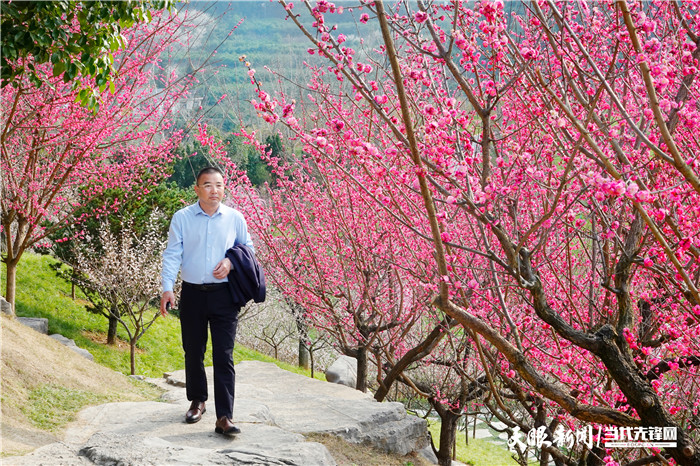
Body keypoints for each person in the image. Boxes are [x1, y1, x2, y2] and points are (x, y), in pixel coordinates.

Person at [160, 166, 254, 437]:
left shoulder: (235, 217)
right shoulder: (182, 217)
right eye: (208, 185)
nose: (215, 190)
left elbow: (247, 249)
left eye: (220, 185)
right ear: (197, 189)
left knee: (223, 355)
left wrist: (230, 262)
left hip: (224, 295)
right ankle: (198, 401)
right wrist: (168, 289)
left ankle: (225, 416)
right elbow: (172, 254)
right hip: (192, 293)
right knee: (193, 350)